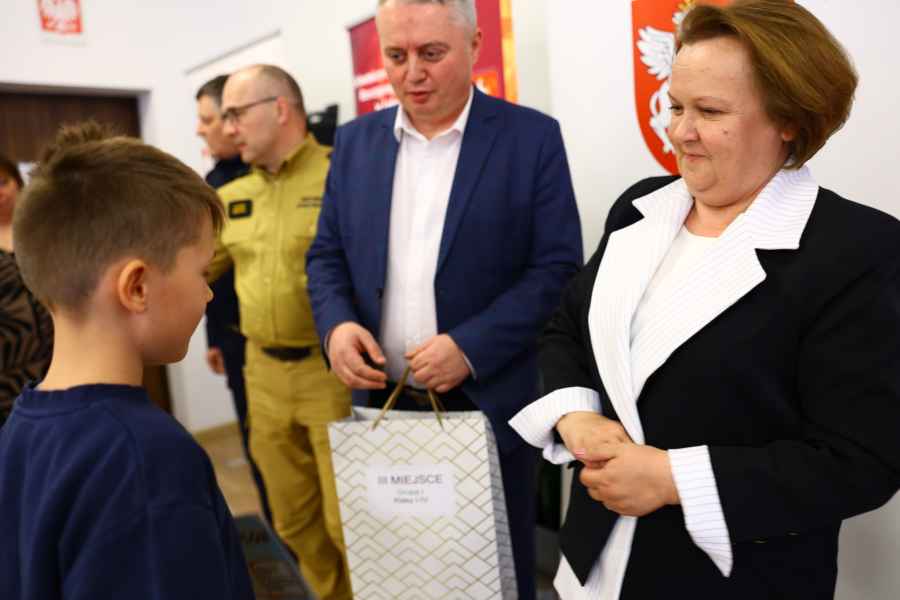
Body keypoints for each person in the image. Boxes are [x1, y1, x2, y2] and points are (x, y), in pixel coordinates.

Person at [509, 1, 900, 598]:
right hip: (592, 564)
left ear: (788, 119)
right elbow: (568, 329)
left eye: (709, 111)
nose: (679, 132)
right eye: (675, 106)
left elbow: (861, 461)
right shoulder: (639, 207)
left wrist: (672, 479)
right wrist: (575, 414)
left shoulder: (857, 249)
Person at [305, 1, 583, 597]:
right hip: (382, 405)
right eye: (396, 56)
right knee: (401, 574)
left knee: (495, 576)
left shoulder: (530, 138)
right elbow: (326, 255)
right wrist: (337, 327)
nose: (412, 73)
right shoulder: (354, 143)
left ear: (475, 43)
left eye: (432, 53)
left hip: (486, 402)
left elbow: (557, 269)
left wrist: (470, 346)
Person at [0, 123, 254, 599]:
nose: (208, 293)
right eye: (202, 272)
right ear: (136, 287)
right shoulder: (148, 461)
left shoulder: (19, 430)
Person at [211, 64, 352, 600]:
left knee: (347, 523)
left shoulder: (341, 175)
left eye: (235, 114)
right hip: (263, 375)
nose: (228, 129)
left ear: (280, 108)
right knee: (293, 520)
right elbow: (196, 269)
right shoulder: (232, 196)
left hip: (329, 374)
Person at [195, 75, 273, 523]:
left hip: (281, 338)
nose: (202, 130)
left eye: (209, 119)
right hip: (234, 336)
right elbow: (210, 269)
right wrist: (213, 337)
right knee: (256, 443)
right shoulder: (213, 184)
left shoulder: (266, 175)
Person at [0, 156, 52, 425]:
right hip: (8, 365)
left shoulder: (41, 229)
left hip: (58, 352)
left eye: (3, 182)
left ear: (17, 183)